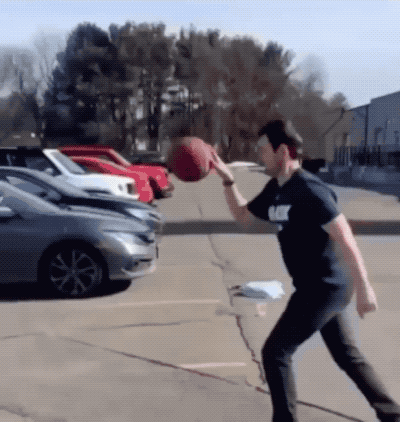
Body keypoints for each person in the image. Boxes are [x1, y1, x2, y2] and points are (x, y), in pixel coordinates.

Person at [211, 119, 400, 422]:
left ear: (283, 151)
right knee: (347, 355)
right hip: (316, 286)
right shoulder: (276, 188)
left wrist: (365, 288)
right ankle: (392, 415)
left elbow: (345, 237)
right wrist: (228, 181)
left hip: (324, 287)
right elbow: (243, 216)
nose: (259, 153)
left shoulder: (310, 189)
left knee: (275, 352)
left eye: (263, 148)